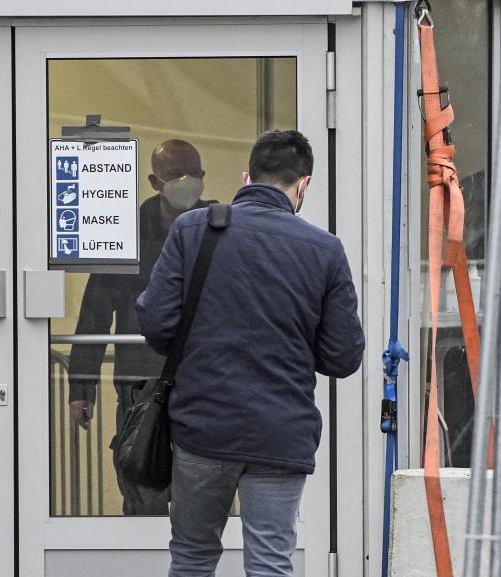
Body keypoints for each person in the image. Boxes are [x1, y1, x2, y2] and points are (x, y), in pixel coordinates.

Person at [136, 130, 365, 577]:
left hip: (202, 426)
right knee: (270, 565)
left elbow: (156, 323)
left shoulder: (192, 230)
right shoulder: (325, 250)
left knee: (192, 558)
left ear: (247, 177)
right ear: (304, 185)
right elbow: (343, 357)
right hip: (279, 432)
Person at [68, 139, 210, 516]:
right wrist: (82, 388)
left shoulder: (217, 226)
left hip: (205, 382)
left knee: (202, 497)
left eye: (194, 174)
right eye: (176, 174)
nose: (187, 181)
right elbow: (95, 314)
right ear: (153, 180)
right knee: (142, 489)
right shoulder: (126, 234)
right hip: (140, 386)